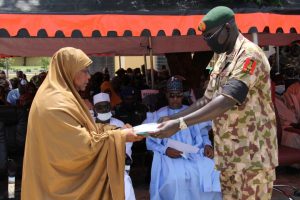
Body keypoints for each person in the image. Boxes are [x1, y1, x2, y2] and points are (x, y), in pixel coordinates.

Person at [152, 6, 278, 200]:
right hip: (228, 156)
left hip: (252, 158)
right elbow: (206, 99)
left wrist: (180, 124)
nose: (207, 42)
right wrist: (173, 117)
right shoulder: (222, 59)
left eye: (211, 35)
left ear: (228, 27)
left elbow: (226, 100)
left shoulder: (249, 55)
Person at [21, 47, 144, 199]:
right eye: (84, 71)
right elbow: (82, 146)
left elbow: (85, 129)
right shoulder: (55, 103)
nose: (89, 76)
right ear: (69, 71)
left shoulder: (62, 96)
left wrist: (115, 130)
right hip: (58, 186)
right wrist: (120, 136)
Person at [144, 77, 221, 200]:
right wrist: (165, 150)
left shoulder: (191, 112)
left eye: (178, 96)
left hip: (194, 153)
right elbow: (150, 142)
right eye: (172, 96)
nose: (175, 99)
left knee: (212, 171)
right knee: (175, 179)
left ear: (182, 95)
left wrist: (207, 145)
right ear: (166, 95)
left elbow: (203, 133)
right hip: (169, 157)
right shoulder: (158, 115)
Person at [93, 92, 136, 200]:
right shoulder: (90, 125)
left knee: (125, 185)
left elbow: (127, 147)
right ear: (95, 109)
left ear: (110, 107)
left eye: (106, 107)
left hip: (116, 165)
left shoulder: (119, 124)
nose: (104, 110)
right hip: (95, 167)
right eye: (100, 107)